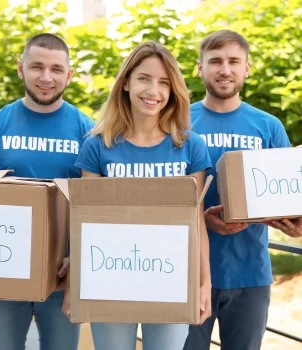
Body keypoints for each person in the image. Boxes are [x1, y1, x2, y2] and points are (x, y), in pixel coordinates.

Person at [65, 40, 212, 350]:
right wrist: (75, 286)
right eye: (144, 78)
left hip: (171, 279)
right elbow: (85, 224)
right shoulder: (97, 146)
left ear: (173, 91)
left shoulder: (190, 146)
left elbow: (195, 221)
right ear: (127, 82)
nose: (153, 91)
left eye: (163, 83)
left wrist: (204, 283)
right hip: (111, 279)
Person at [0, 33, 94, 350]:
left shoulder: (89, 132)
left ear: (69, 74)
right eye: (37, 67)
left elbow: (96, 206)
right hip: (1, 272)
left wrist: (77, 260)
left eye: (56, 69)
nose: (46, 78)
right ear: (21, 69)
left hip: (63, 275)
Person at [183, 30, 292, 350]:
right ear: (200, 68)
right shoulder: (177, 122)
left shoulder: (269, 127)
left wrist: (296, 223)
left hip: (250, 274)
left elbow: (290, 193)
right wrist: (203, 217)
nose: (225, 69)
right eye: (215, 61)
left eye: (233, 61)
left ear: (247, 68)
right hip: (187, 273)